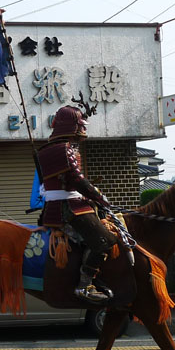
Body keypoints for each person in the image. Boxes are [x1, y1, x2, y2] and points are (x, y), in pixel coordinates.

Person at [36, 106, 118, 305]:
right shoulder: (64, 149)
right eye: (80, 126)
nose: (82, 131)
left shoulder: (47, 150)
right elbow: (77, 180)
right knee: (105, 241)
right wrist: (100, 197)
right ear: (72, 127)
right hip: (69, 208)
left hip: (57, 206)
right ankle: (85, 285)